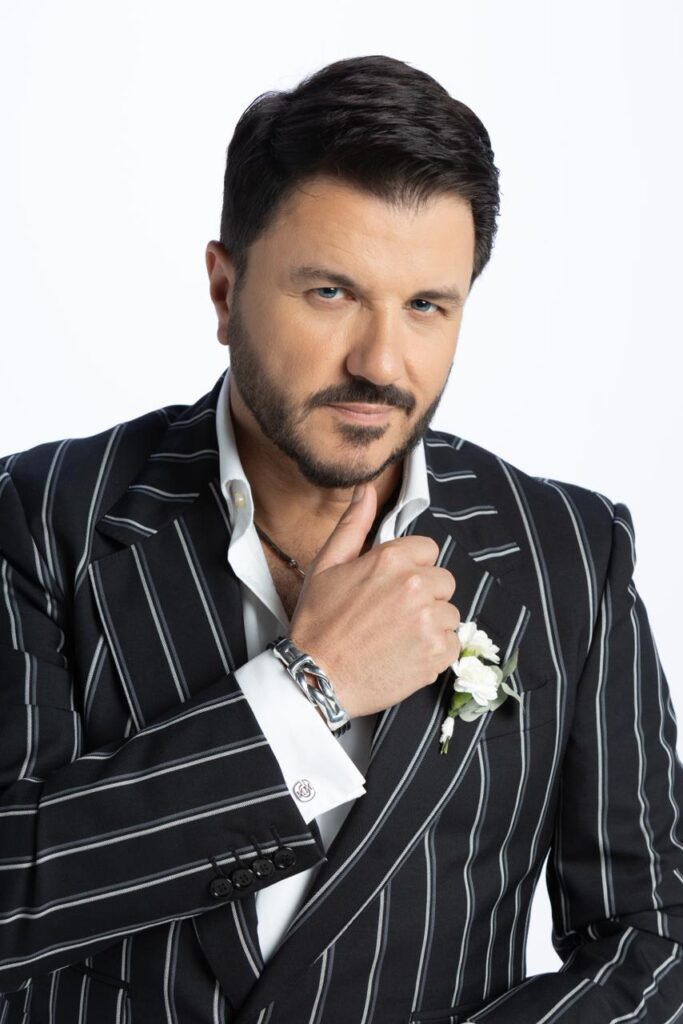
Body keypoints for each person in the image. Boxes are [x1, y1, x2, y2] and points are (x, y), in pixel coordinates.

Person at [0, 53, 681, 1024]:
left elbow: (652, 940)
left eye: (425, 306)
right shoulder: (39, 515)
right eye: (330, 293)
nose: (380, 361)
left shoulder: (567, 551)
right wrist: (302, 693)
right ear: (223, 289)